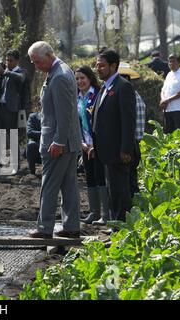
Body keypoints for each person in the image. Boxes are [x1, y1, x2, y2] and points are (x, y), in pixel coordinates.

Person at [28, 41, 82, 239]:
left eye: (37, 62)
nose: (36, 66)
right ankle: (72, 226)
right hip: (68, 142)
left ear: (49, 55)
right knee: (68, 185)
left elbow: (65, 113)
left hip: (59, 143)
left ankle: (44, 228)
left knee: (49, 184)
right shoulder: (61, 70)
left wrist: (58, 142)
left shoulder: (59, 76)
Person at [93, 49, 136, 223]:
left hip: (119, 152)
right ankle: (114, 228)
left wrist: (126, 149)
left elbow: (128, 120)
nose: (98, 69)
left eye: (102, 66)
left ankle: (121, 231)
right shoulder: (105, 86)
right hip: (106, 151)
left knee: (120, 192)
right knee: (112, 192)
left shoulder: (123, 87)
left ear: (113, 66)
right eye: (96, 65)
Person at [75, 66, 110, 226]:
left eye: (82, 78)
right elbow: (75, 124)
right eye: (77, 79)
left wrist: (95, 145)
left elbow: (103, 122)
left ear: (90, 78)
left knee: (100, 177)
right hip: (84, 145)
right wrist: (83, 145)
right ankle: (94, 213)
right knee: (89, 178)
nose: (80, 81)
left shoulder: (97, 94)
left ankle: (105, 214)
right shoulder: (76, 97)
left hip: (99, 145)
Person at [0, 49, 28, 173]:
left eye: (11, 60)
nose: (8, 62)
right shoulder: (3, 74)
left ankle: (15, 165)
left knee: (13, 136)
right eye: (7, 60)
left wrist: (5, 72)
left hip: (12, 109)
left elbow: (20, 78)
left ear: (17, 61)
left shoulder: (21, 72)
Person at [120, 73, 147, 198]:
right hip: (134, 142)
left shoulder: (129, 95)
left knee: (128, 180)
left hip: (129, 143)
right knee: (131, 178)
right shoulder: (135, 95)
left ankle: (132, 209)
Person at [160, 54, 180, 134]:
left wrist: (168, 100)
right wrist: (163, 100)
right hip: (168, 109)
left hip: (179, 109)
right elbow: (163, 90)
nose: (170, 63)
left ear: (179, 63)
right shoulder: (169, 74)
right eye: (169, 62)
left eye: (173, 61)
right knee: (169, 134)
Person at [26, 110, 41, 175]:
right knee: (31, 145)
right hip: (38, 143)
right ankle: (32, 172)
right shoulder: (33, 117)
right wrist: (45, 134)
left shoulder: (56, 115)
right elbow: (29, 132)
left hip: (53, 142)